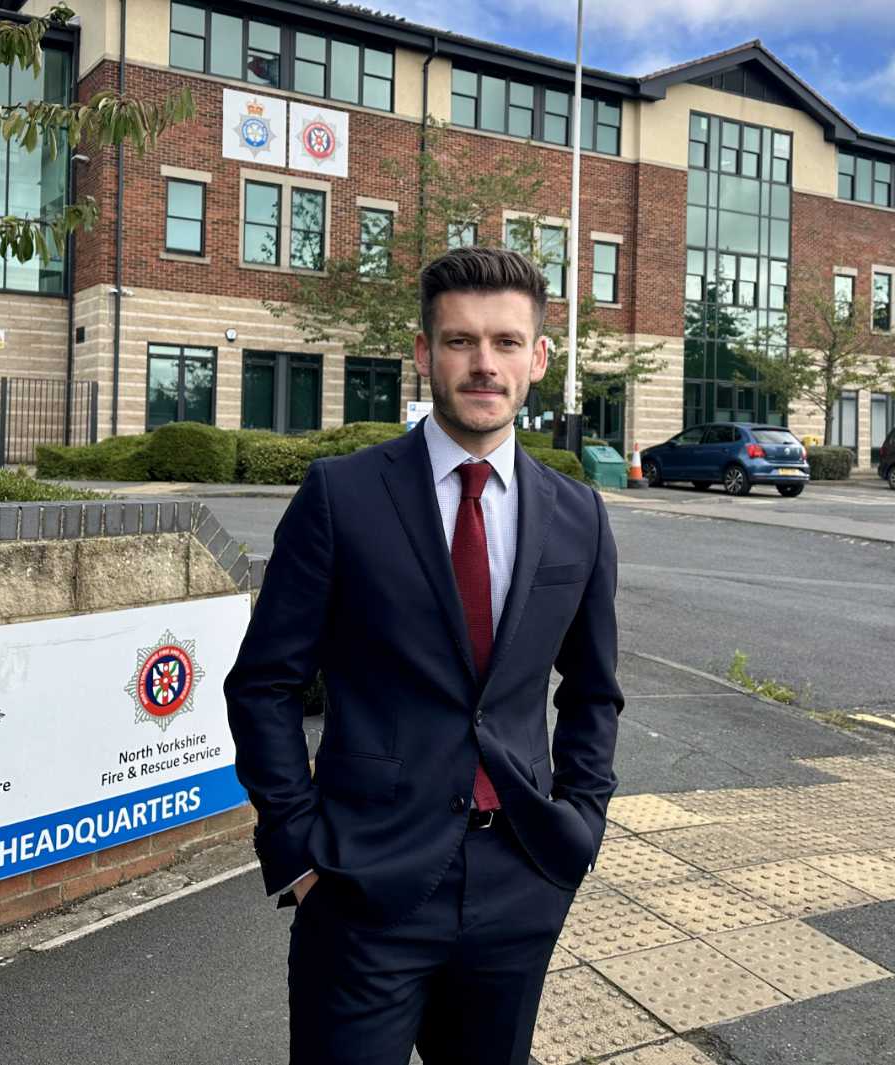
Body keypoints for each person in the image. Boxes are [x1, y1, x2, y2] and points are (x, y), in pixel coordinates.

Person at [225, 247, 623, 1065]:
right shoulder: (342, 495)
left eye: (507, 342)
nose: (485, 363)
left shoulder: (578, 514)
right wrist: (298, 851)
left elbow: (592, 691)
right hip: (363, 888)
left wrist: (579, 824)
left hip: (519, 883)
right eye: (461, 341)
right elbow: (264, 683)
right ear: (423, 352)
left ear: (539, 358)